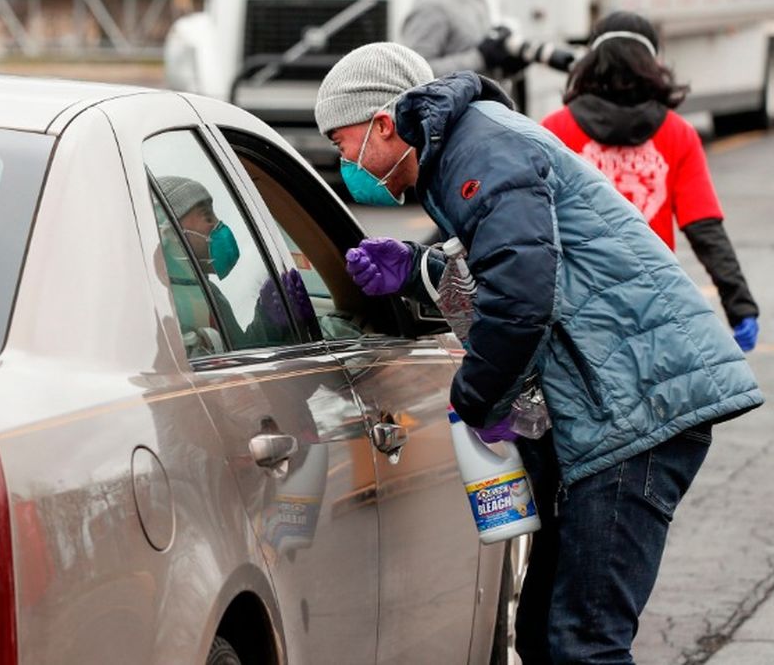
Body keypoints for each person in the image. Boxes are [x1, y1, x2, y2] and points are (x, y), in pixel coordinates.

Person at [314, 42, 763, 664]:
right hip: (616, 401)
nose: (345, 163)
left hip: (634, 410)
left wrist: (476, 396)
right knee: (543, 635)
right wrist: (419, 264)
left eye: (343, 144)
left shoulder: (480, 150)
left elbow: (523, 293)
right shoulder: (465, 152)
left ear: (383, 125)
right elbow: (507, 261)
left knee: (583, 644)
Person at [541, 11, 760, 353]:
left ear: (591, 62)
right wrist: (739, 304)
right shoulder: (677, 133)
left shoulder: (556, 130)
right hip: (651, 304)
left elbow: (529, 221)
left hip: (577, 303)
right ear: (652, 64)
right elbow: (704, 228)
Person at [154, 175, 309, 356]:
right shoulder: (157, 300)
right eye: (207, 217)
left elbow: (240, 354)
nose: (219, 225)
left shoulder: (210, 293)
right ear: (171, 233)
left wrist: (269, 319)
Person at [400, 0, 527, 79]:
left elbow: (483, 64)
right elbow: (414, 73)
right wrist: (480, 57)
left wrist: (505, 67)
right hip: (453, 116)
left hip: (485, 111)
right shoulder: (430, 5)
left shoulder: (478, 2)